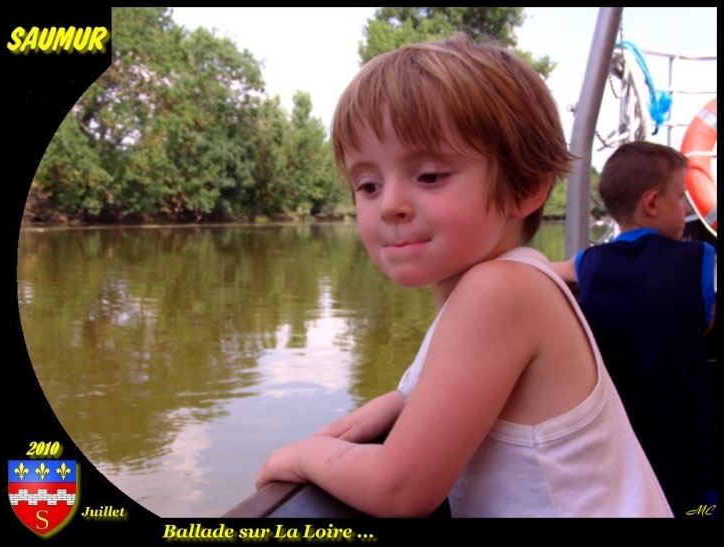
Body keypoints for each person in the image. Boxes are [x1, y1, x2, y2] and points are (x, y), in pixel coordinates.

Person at [256, 36, 672, 517]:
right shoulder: (504, 283)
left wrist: (305, 455)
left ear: (525, 187)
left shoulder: (499, 292)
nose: (389, 204)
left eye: (430, 175)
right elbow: (428, 390)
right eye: (368, 184)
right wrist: (383, 409)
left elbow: (399, 491)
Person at [551, 141, 717, 518]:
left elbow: (543, 272)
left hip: (623, 438)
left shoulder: (588, 263)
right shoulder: (698, 258)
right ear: (653, 203)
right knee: (702, 507)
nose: (688, 208)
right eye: (681, 196)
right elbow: (707, 317)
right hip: (689, 434)